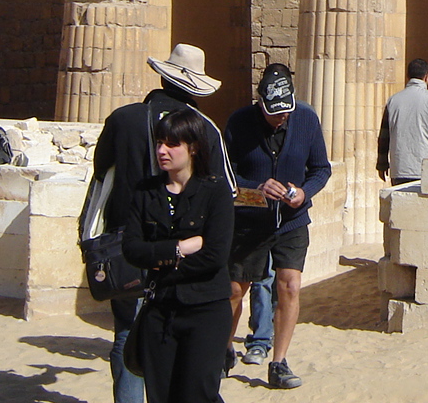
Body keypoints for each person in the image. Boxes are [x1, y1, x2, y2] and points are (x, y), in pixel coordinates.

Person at [91, 43, 235, 403]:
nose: (163, 150)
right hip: (161, 258)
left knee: (127, 333)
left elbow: (100, 174)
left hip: (129, 249)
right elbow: (227, 192)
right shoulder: (204, 129)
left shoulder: (121, 119)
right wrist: (180, 248)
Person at [224, 63, 330, 390]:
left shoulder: (307, 119)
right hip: (249, 221)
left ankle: (278, 362)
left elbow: (321, 169)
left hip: (292, 220)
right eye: (274, 113)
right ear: (260, 103)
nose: (281, 117)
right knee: (235, 289)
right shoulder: (239, 122)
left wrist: (304, 192)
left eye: (285, 111)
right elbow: (224, 176)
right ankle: (222, 350)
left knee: (290, 286)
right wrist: (255, 189)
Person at [122, 108, 234, 403]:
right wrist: (178, 249)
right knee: (161, 396)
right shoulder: (145, 191)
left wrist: (159, 263)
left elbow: (215, 255)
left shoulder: (216, 190)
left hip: (206, 310)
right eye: (159, 143)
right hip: (160, 310)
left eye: (172, 144)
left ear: (193, 147)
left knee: (198, 394)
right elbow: (131, 248)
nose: (162, 151)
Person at [377, 58, 428, 185]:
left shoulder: (392, 101)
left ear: (407, 76)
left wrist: (382, 164)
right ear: (427, 77)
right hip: (426, 167)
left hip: (399, 168)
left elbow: (384, 137)